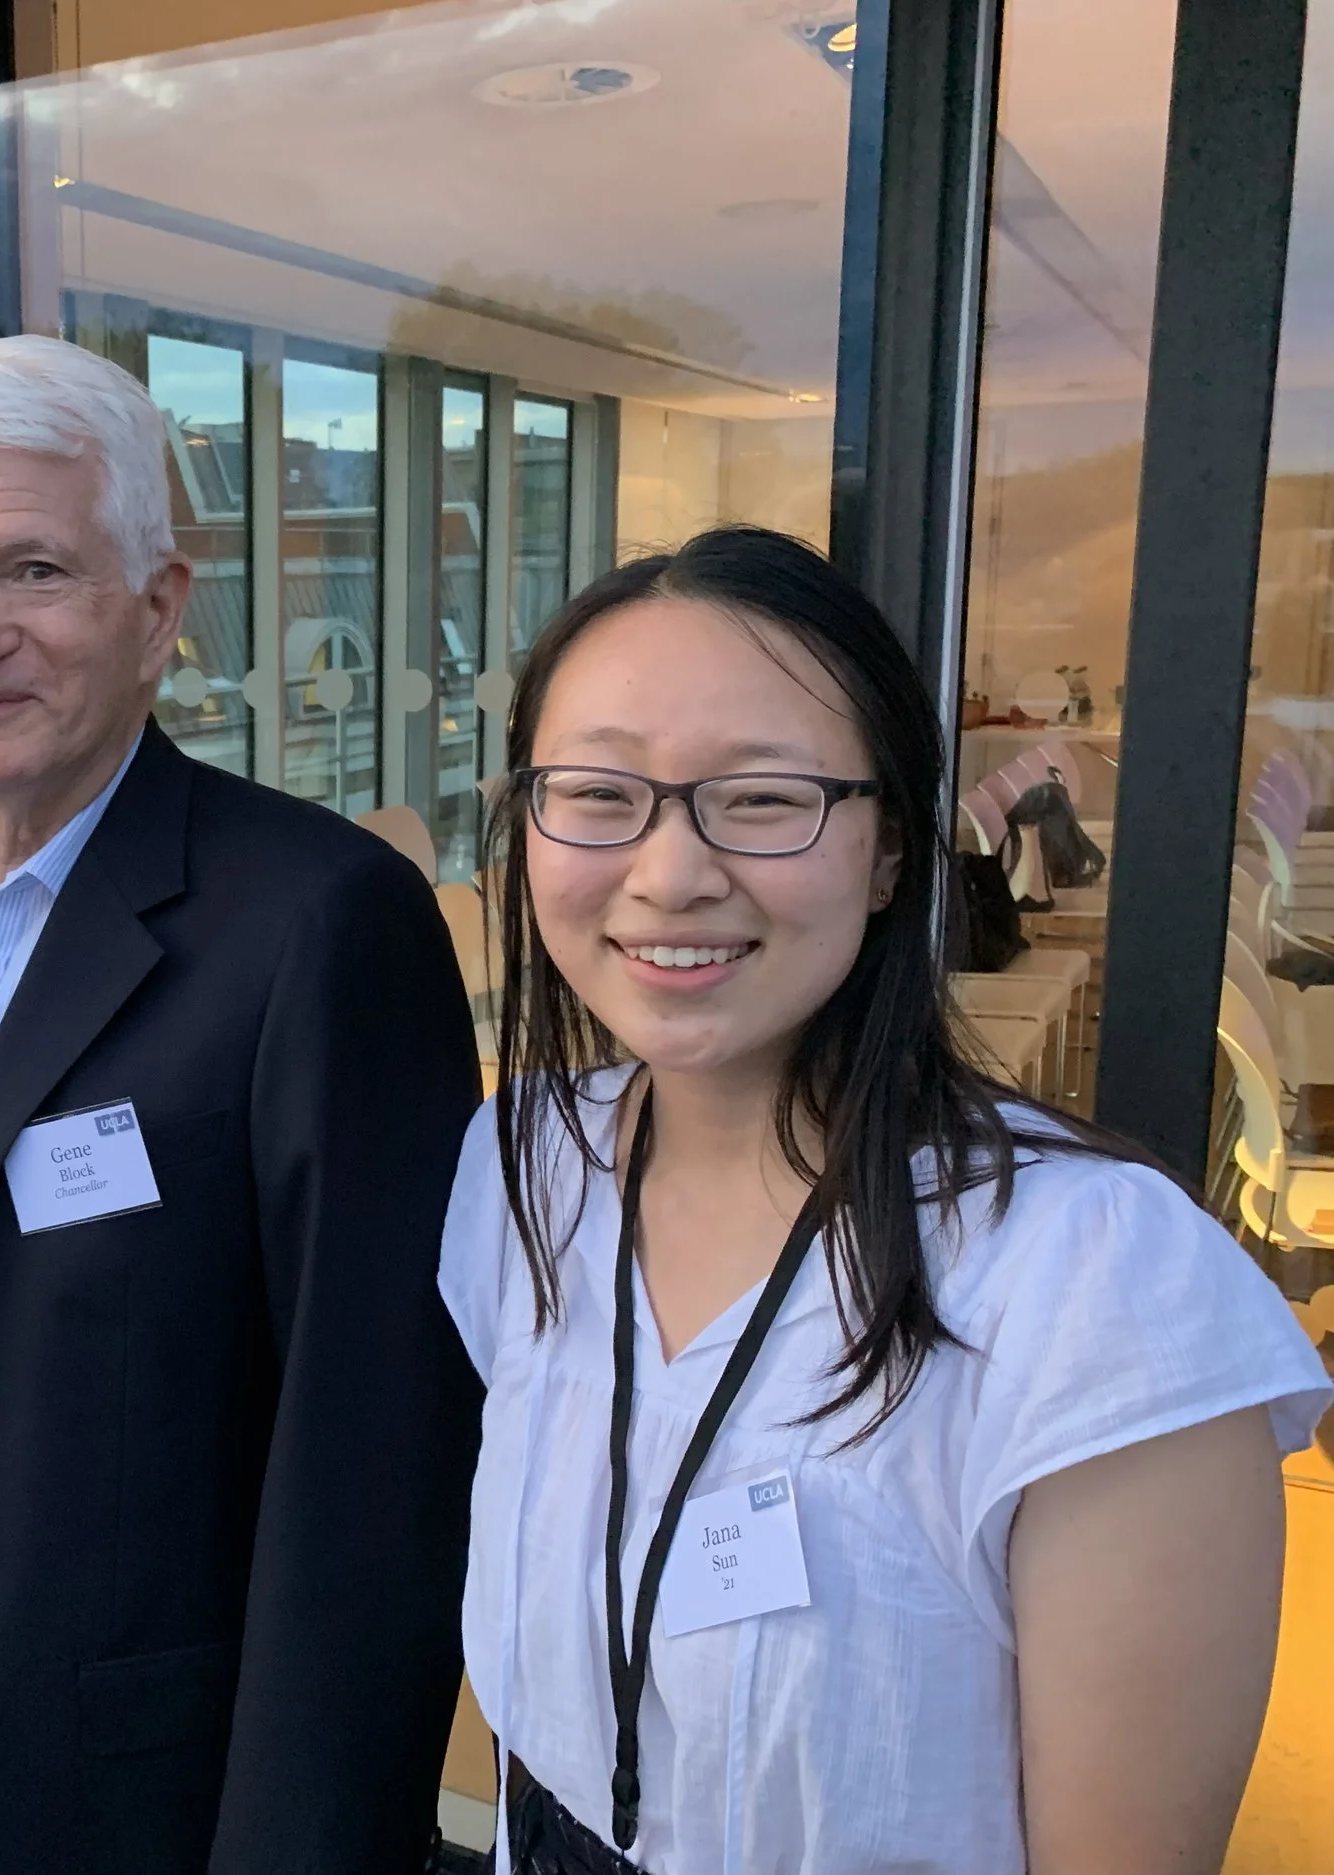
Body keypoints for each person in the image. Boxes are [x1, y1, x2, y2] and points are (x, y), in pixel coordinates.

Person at [442, 524, 1334, 1875]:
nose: (670, 873)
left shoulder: (1098, 1288)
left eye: (760, 797)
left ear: (889, 852)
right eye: (600, 791)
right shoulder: (523, 1173)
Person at [0, 334, 483, 1874]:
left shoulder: (320, 923)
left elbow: (378, 1469)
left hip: (149, 1802)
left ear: (159, 612)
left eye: (34, 569)